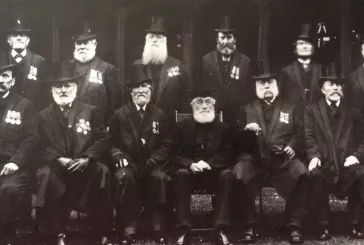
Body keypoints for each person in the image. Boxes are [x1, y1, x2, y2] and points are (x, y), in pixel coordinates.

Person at [35, 63, 113, 245]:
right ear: (52, 90)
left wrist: (88, 157)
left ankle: (102, 230)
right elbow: (38, 145)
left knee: (102, 171)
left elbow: (103, 139)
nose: (63, 90)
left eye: (67, 85)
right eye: (59, 86)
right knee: (46, 176)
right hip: (57, 165)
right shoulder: (42, 116)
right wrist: (57, 158)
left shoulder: (90, 111)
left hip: (84, 163)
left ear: (75, 88)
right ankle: (57, 232)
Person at [234, 61, 308, 244]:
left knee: (301, 172)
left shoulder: (290, 108)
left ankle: (293, 225)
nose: (266, 86)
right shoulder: (246, 108)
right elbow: (235, 137)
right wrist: (245, 129)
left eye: (270, 82)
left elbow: (300, 132)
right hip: (255, 160)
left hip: (281, 160)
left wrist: (292, 145)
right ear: (256, 86)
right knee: (239, 173)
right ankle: (250, 224)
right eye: (261, 83)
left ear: (276, 85)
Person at [109, 68, 173, 244]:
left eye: (145, 86)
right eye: (136, 87)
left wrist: (155, 160)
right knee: (125, 179)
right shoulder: (120, 114)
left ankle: (157, 226)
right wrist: (118, 155)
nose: (141, 91)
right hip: (128, 163)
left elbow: (167, 143)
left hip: (153, 163)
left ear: (151, 90)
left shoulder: (159, 114)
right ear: (130, 92)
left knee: (159, 178)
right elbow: (112, 143)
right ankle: (129, 227)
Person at [305, 63, 364, 240]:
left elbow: (363, 139)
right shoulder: (311, 110)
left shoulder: (354, 112)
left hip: (347, 162)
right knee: (315, 175)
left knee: (361, 174)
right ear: (322, 89)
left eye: (338, 85)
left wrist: (356, 155)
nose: (335, 88)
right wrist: (314, 155)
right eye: (330, 85)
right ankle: (322, 225)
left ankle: (356, 223)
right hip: (325, 162)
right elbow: (309, 137)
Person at [173, 89, 234, 245]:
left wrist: (210, 164)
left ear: (213, 105)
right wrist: (190, 164)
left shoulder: (223, 128)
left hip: (214, 174)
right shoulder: (181, 127)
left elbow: (228, 154)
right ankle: (183, 228)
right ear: (193, 106)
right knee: (180, 173)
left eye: (208, 101)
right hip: (190, 174)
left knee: (227, 175)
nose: (204, 106)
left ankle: (220, 228)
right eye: (199, 102)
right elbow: (173, 154)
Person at [0, 56, 38, 245]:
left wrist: (15, 162)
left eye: (5, 76)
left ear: (12, 81)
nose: (1, 80)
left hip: (15, 164)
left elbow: (31, 138)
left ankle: (7, 234)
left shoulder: (25, 105)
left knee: (10, 189)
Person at [132, 16, 188, 123]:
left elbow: (185, 97)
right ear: (146, 40)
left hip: (170, 123)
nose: (154, 40)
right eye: (151, 37)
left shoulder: (177, 65)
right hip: (143, 123)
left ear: (165, 41)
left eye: (158, 37)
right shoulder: (136, 65)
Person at [201, 15, 252, 128]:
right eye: (222, 38)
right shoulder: (207, 60)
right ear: (217, 40)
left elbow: (249, 93)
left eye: (229, 37)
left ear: (234, 39)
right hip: (215, 114)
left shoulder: (245, 61)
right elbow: (203, 90)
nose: (226, 41)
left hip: (238, 116)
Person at [69, 21, 122, 123]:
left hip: (97, 125)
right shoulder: (67, 67)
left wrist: (108, 126)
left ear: (94, 45)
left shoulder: (107, 69)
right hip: (71, 124)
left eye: (86, 43)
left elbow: (115, 103)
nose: (82, 46)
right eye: (78, 43)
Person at [2, 17, 47, 111]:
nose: (19, 38)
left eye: (22, 35)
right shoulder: (1, 60)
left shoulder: (38, 61)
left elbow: (44, 93)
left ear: (28, 40)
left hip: (31, 114)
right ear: (8, 40)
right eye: (15, 35)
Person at [279, 24, 322, 111]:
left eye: (307, 43)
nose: (304, 46)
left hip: (316, 118)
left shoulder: (321, 70)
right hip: (293, 119)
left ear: (313, 48)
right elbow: (281, 99)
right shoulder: (286, 71)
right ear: (295, 48)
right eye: (301, 43)